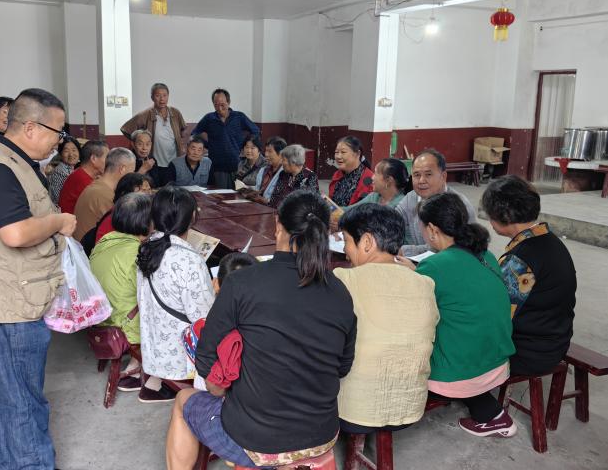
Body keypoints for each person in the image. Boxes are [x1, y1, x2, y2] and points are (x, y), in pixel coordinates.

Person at [166, 190, 356, 470]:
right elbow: (342, 367)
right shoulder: (339, 292)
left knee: (184, 400)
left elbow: (206, 358)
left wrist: (226, 390)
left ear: (278, 225)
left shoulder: (242, 283)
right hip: (320, 434)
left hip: (255, 439)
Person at [0, 88, 77, 470]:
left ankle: (2, 462)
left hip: (11, 293)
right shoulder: (1, 168)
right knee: (23, 399)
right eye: (57, 132)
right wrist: (58, 221)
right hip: (8, 304)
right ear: (30, 127)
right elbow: (15, 233)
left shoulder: (15, 161)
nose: (60, 141)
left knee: (7, 391)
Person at [415, 192, 516, 438]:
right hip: (498, 363)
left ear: (432, 229)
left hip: (456, 375)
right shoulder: (486, 255)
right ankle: (489, 411)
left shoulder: (433, 266)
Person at [334, 204, 439, 436]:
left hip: (353, 413)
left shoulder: (344, 279)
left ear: (367, 242)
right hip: (410, 409)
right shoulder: (424, 282)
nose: (345, 250)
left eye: (347, 241)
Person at [481, 175, 576, 376]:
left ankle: (476, 395)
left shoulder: (519, 261)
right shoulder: (551, 241)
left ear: (503, 216)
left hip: (529, 352)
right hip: (555, 341)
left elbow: (495, 315)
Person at [136, 186, 215, 403]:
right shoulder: (189, 259)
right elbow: (204, 318)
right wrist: (215, 292)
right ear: (192, 217)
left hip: (154, 346)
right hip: (181, 357)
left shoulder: (146, 247)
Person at [89, 192, 152, 392]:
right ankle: (140, 366)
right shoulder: (138, 253)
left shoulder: (104, 241)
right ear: (146, 222)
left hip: (98, 318)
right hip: (121, 324)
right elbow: (151, 293)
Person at [396, 148, 476, 257]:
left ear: (443, 177)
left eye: (428, 174)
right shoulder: (411, 197)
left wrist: (404, 251)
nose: (421, 181)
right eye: (416, 175)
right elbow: (393, 220)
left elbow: (456, 248)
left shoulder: (460, 206)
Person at [121, 83, 187, 187]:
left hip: (173, 162)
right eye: (158, 95)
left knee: (172, 190)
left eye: (164, 95)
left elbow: (183, 130)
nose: (162, 99)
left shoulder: (175, 113)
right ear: (152, 97)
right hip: (155, 163)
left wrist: (181, 144)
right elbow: (126, 129)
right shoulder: (146, 114)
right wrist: (138, 143)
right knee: (156, 189)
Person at [192, 88, 259, 189]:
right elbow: (194, 134)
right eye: (216, 105)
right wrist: (208, 145)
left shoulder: (239, 117)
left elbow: (255, 131)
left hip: (238, 165)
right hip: (218, 167)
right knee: (221, 194)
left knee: (239, 194)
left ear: (228, 102)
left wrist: (245, 146)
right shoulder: (209, 118)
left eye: (222, 105)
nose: (219, 108)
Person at [73, 147, 136, 241]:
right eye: (132, 171)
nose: (133, 176)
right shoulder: (104, 195)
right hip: (89, 248)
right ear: (122, 169)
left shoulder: (99, 186)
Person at [83, 172, 152, 256]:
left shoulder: (131, 215)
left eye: (149, 190)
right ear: (126, 195)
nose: (149, 195)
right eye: (143, 191)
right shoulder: (116, 220)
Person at [58, 139, 108, 214]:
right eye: (107, 158)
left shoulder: (81, 174)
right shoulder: (82, 180)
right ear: (93, 159)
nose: (109, 161)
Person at [268, 144, 319, 208]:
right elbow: (274, 197)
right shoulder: (283, 174)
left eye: (283, 160)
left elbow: (307, 204)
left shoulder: (310, 177)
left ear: (293, 162)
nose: (281, 162)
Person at [328, 136, 374, 207]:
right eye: (336, 152)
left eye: (343, 152)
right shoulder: (337, 174)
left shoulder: (369, 179)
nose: (338, 156)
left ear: (357, 154)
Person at [244, 136, 287, 203]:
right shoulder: (263, 170)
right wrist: (250, 192)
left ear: (281, 154)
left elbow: (282, 200)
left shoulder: (285, 173)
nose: (266, 154)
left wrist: (264, 201)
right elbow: (257, 189)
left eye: (270, 151)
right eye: (266, 151)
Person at [48, 136, 81, 204]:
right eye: (66, 151)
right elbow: (59, 200)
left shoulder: (73, 168)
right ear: (60, 154)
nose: (71, 154)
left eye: (74, 150)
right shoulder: (61, 172)